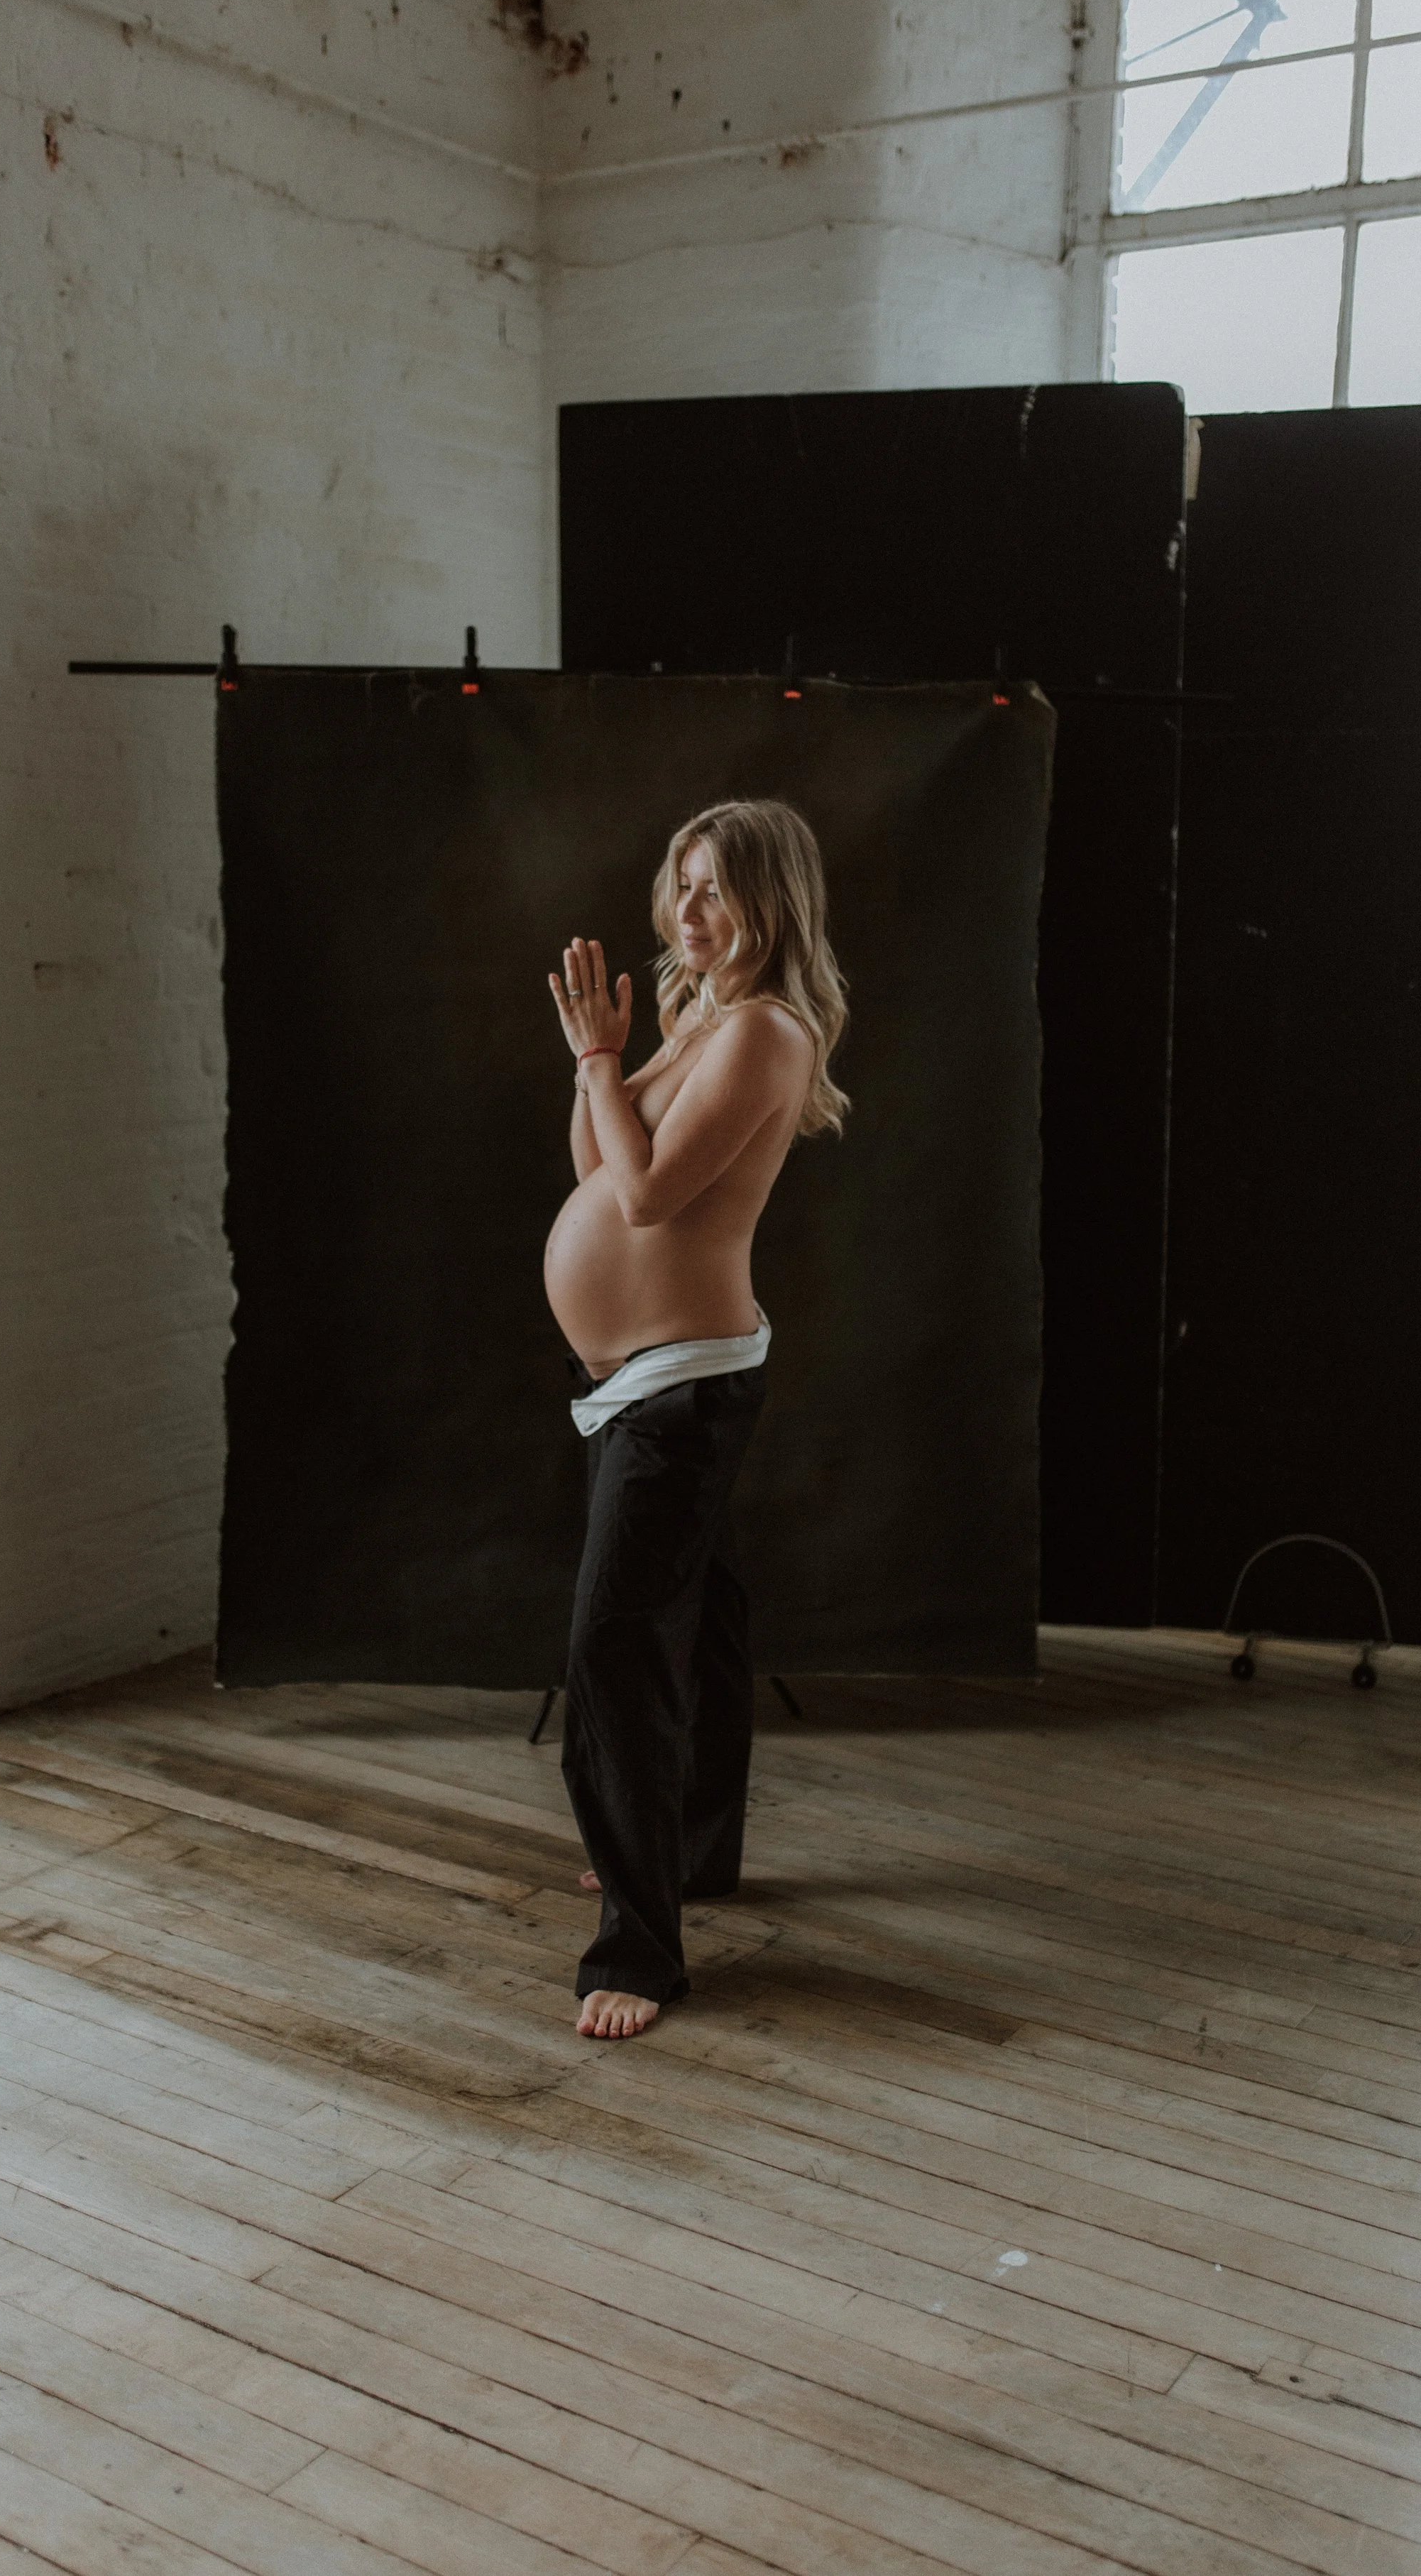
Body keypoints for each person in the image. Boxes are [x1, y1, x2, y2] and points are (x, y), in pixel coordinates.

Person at [544, 799, 849, 2040]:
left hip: (684, 1383)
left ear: (772, 898)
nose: (689, 910)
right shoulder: (706, 1015)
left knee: (615, 1645)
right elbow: (592, 1170)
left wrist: (610, 1069)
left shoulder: (767, 1032)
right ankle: (688, 1852)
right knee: (706, 1619)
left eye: (716, 888)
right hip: (656, 1380)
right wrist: (600, 1061)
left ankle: (641, 1945)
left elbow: (655, 1198)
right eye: (681, 885)